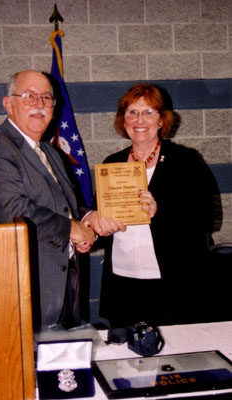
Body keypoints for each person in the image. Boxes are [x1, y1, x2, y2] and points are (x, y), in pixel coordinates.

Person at [0, 69, 97, 330]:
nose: (40, 104)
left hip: (63, 295)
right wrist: (72, 228)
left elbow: (62, 206)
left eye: (47, 98)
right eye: (29, 96)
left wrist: (87, 217)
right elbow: (14, 210)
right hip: (18, 295)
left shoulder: (50, 152)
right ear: (8, 104)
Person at [90, 83, 222, 328]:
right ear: (123, 120)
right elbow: (101, 220)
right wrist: (99, 227)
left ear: (162, 120)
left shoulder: (185, 161)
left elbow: (207, 217)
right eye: (132, 112)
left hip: (174, 284)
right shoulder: (113, 163)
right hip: (123, 282)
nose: (140, 120)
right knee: (127, 360)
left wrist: (160, 211)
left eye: (149, 112)